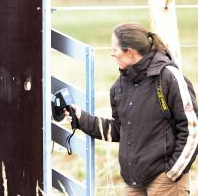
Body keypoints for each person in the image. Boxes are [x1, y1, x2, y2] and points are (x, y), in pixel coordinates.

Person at [65, 22, 198, 195]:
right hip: (134, 180)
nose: (111, 53)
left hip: (166, 178)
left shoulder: (169, 77)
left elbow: (191, 128)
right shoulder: (119, 86)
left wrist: (173, 173)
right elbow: (120, 129)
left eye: (115, 49)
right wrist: (82, 119)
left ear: (129, 52)